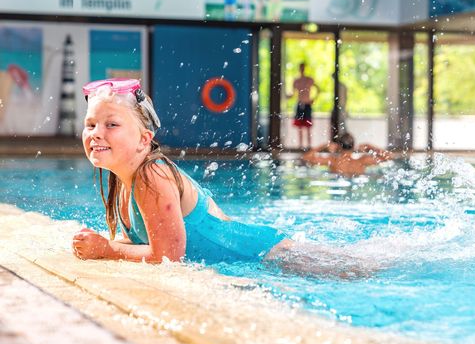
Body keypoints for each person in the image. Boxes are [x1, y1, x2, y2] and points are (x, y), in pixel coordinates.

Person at [71, 79, 370, 277]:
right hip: (261, 256)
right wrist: (102, 245)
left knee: (368, 270)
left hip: (272, 255)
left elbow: (168, 257)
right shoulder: (123, 183)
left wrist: (107, 250)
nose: (97, 133)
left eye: (111, 124)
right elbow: (140, 241)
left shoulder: (153, 175)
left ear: (144, 139)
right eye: (91, 124)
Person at [302, 132, 393, 177]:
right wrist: (370, 146)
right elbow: (389, 156)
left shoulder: (332, 161)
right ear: (353, 146)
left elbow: (306, 157)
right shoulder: (362, 161)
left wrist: (325, 145)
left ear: (338, 146)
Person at [288, 62, 320, 150]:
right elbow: (292, 94)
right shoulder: (296, 81)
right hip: (299, 104)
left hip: (307, 104)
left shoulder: (309, 80)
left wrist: (313, 99)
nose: (302, 69)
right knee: (300, 127)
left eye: (303, 68)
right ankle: (300, 146)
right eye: (301, 68)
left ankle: (309, 146)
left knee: (308, 126)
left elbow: (318, 89)